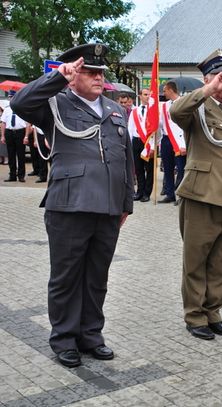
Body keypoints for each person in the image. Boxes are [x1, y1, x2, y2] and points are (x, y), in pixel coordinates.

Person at [10, 43, 134, 367]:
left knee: (97, 277)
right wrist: (57, 78)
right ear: (74, 74)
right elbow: (20, 102)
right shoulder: (55, 104)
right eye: (90, 72)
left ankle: (91, 335)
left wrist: (126, 203)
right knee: (66, 277)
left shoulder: (114, 109)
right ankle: (64, 339)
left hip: (107, 208)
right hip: (69, 206)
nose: (98, 78)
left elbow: (126, 158)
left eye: (100, 73)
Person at [170, 49, 222, 340]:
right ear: (207, 79)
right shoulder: (196, 109)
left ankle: (213, 311)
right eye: (221, 77)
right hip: (201, 195)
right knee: (196, 259)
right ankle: (194, 316)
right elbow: (175, 111)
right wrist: (207, 90)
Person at [159, 80, 186, 204]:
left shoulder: (184, 103)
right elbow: (160, 123)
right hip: (166, 139)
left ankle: (182, 195)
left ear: (170, 90)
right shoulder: (164, 105)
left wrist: (184, 145)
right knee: (168, 168)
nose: (163, 93)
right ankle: (170, 194)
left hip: (180, 141)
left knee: (182, 169)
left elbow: (186, 125)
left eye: (165, 91)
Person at [128, 88, 154, 202]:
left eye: (149, 94)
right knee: (138, 169)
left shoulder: (154, 112)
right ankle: (139, 191)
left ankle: (147, 193)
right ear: (140, 96)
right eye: (145, 94)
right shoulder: (134, 111)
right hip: (136, 141)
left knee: (149, 169)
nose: (147, 96)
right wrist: (128, 144)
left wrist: (153, 146)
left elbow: (156, 131)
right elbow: (130, 128)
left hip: (148, 142)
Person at [1, 92, 28, 182]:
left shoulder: (22, 109)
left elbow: (27, 124)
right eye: (9, 97)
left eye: (12, 97)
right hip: (9, 132)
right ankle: (12, 175)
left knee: (21, 155)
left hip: (20, 132)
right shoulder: (7, 110)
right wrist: (3, 136)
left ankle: (21, 176)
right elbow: (3, 123)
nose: (10, 98)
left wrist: (26, 136)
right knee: (11, 155)